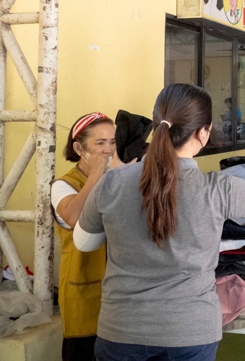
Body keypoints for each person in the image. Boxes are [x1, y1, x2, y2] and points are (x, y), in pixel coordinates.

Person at [73, 84, 245, 360]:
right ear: (203, 133)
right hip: (190, 333)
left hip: (121, 331)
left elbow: (84, 242)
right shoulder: (218, 189)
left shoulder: (112, 182)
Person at [51, 113, 127, 361]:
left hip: (119, 294)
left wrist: (125, 175)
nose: (108, 150)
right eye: (100, 143)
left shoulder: (118, 178)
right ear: (78, 148)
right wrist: (96, 174)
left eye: (113, 142)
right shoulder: (63, 185)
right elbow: (73, 217)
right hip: (83, 292)